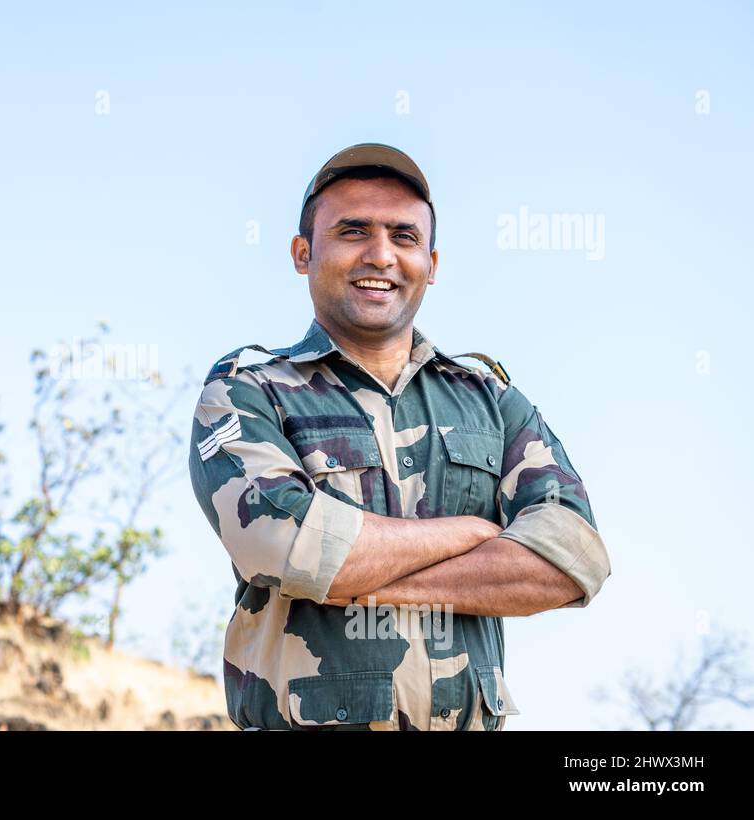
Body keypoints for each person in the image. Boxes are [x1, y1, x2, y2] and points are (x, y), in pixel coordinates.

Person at [187, 143, 610, 731]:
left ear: (431, 264)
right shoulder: (248, 392)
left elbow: (572, 560)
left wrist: (359, 577)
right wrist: (471, 533)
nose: (381, 255)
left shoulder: (490, 400)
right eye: (353, 231)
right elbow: (281, 546)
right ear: (302, 253)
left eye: (404, 237)